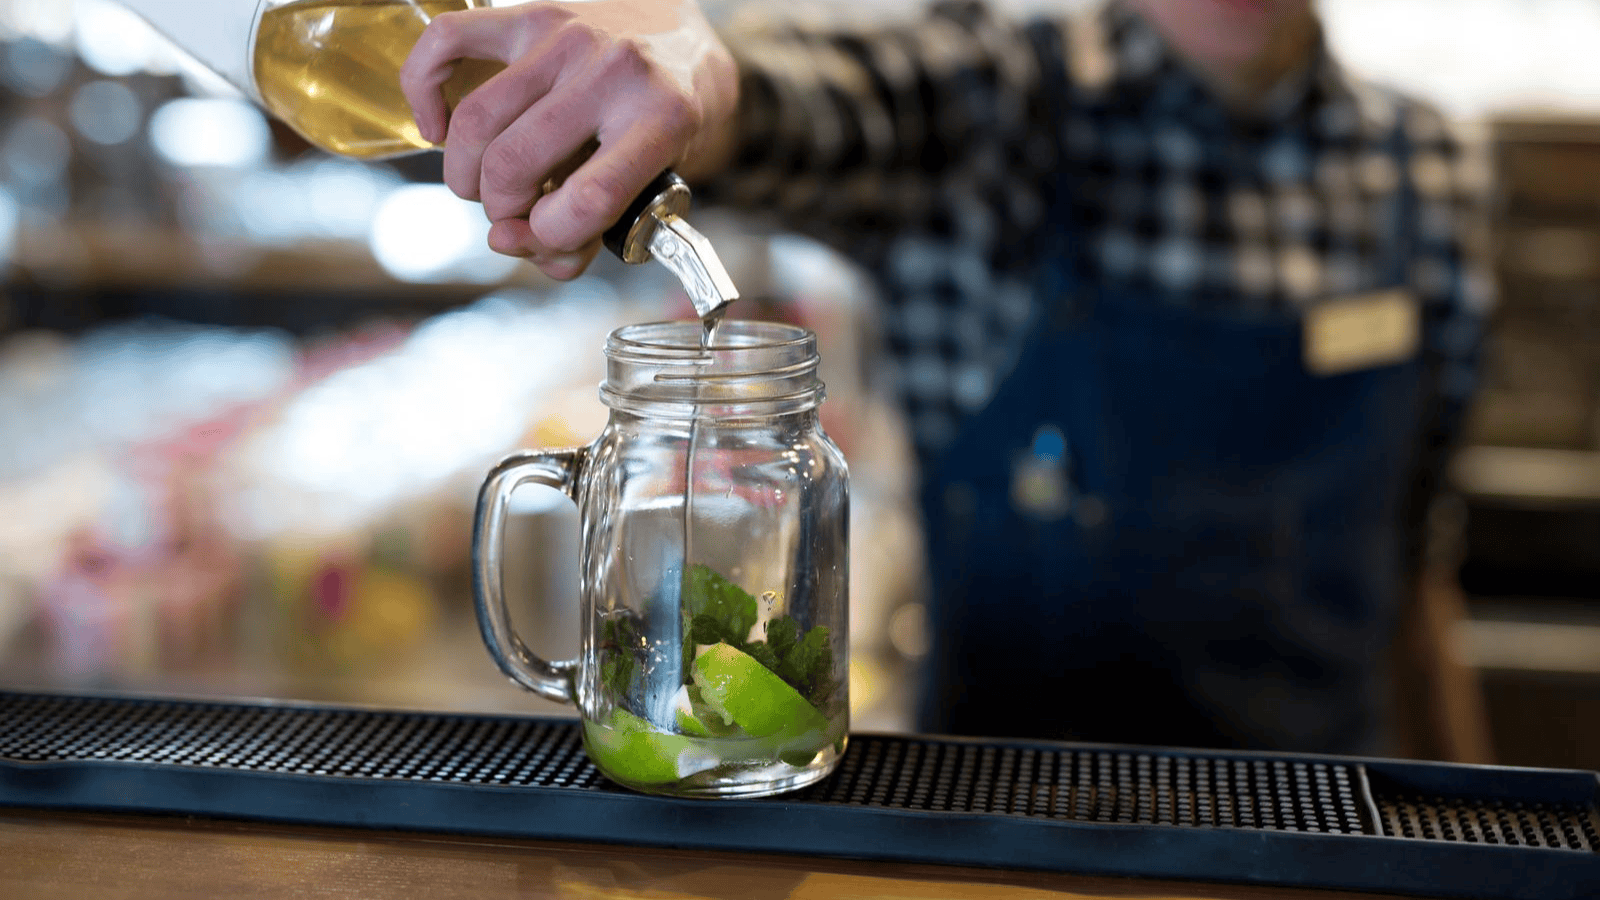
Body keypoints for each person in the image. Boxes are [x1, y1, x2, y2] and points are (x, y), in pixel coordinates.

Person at [400, 0, 1492, 755]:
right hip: (1009, 835)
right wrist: (689, 76)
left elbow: (1415, 563)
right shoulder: (1001, 102)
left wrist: (1466, 822)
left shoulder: (1428, 167)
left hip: (1325, 827)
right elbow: (809, 98)